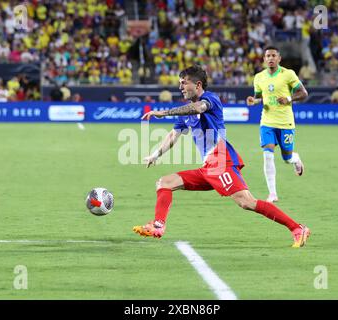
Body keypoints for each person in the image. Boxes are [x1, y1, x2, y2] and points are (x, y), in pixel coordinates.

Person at [133, 65, 311, 248]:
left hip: (221, 161)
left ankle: (298, 228)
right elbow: (173, 136)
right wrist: (155, 155)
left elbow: (199, 108)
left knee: (247, 202)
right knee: (164, 182)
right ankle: (158, 226)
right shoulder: (185, 112)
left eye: (184, 83)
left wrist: (163, 113)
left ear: (198, 84)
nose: (180, 87)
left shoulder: (210, 99)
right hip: (207, 167)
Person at [246, 46, 308, 203]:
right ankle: (272, 193)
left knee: (286, 158)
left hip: (286, 123)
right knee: (267, 156)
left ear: (279, 58)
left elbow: (303, 94)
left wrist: (288, 99)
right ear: (264, 59)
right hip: (267, 122)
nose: (271, 58)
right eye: (268, 56)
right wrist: (254, 101)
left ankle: (295, 159)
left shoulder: (288, 74)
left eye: (274, 55)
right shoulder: (259, 77)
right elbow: (259, 97)